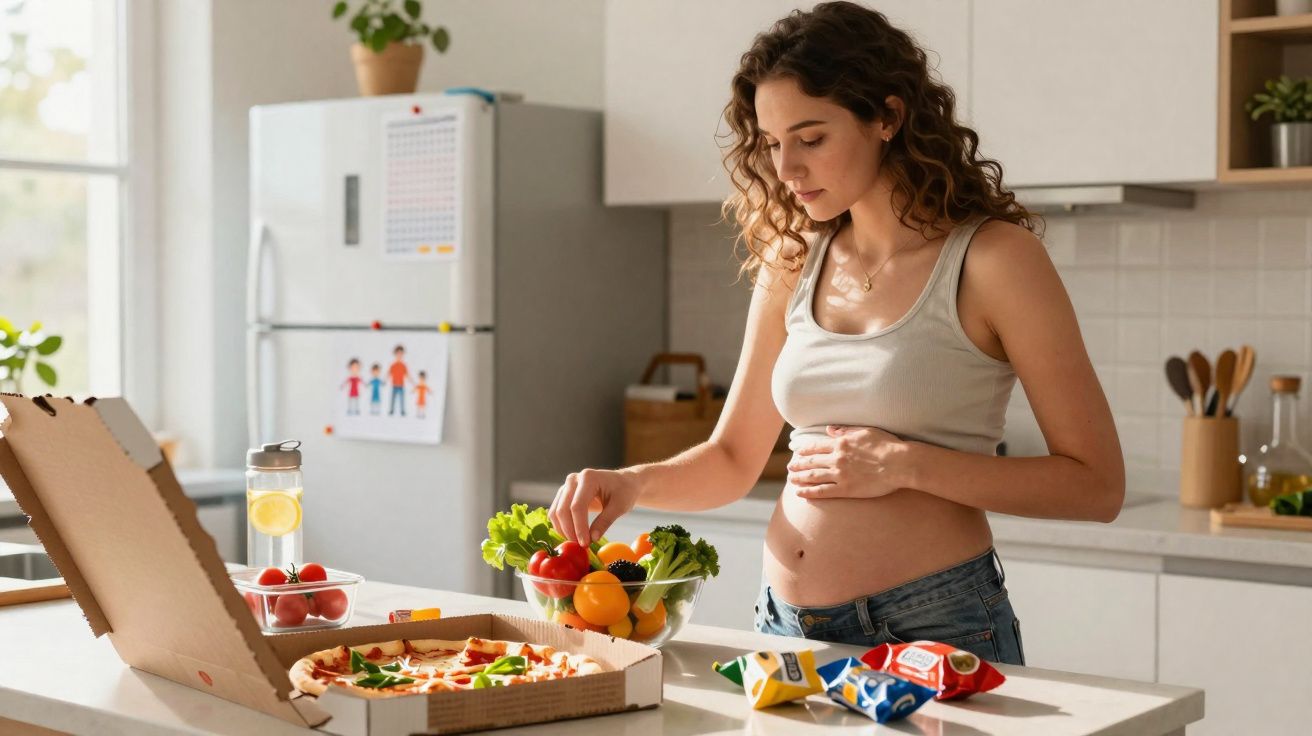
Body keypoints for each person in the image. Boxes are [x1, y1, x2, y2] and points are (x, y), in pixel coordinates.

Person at [548, 2, 1123, 665]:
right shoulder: (793, 259)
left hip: (933, 629)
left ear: (888, 116)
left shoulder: (995, 262)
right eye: (771, 143)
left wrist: (906, 464)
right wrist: (632, 483)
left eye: (811, 137)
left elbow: (1096, 485)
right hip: (783, 627)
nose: (786, 168)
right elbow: (734, 459)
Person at [388, 344, 411, 416]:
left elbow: (407, 374)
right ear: (395, 354)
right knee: (393, 399)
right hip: (394, 384)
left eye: (401, 353)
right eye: (398, 353)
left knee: (402, 399)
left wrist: (412, 382)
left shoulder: (403, 365)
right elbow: (389, 373)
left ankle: (402, 410)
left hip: (401, 385)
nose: (399, 355)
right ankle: (391, 410)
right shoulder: (393, 365)